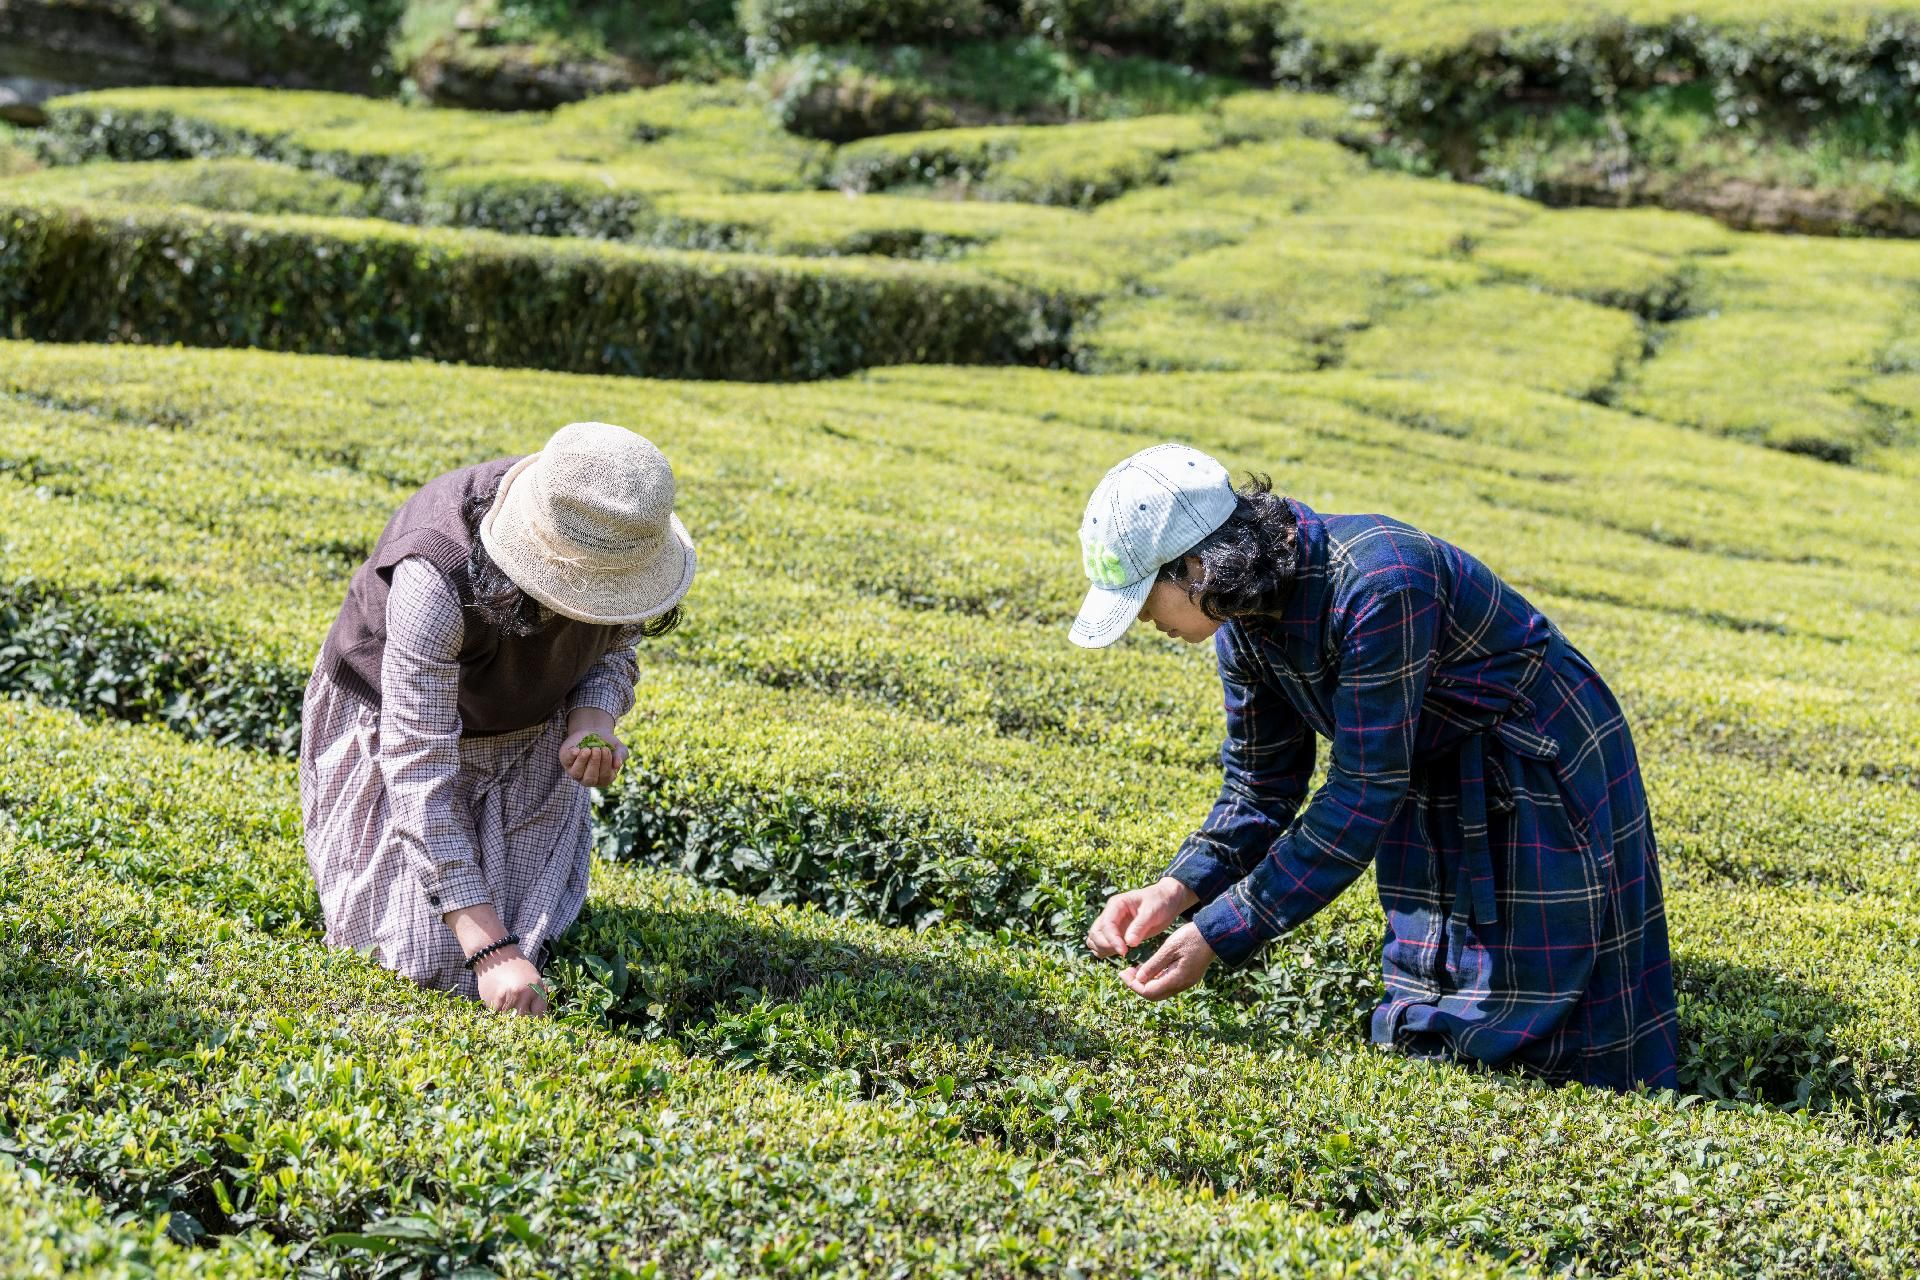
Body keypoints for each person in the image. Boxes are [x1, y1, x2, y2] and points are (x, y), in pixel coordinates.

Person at [1076, 444, 1677, 1089]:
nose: (1140, 618)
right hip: (1426, 760)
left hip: (1535, 752)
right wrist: (1175, 892)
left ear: (1196, 566)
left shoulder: (1381, 580)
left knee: (1551, 994)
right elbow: (1259, 787)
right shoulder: (1242, 624)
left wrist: (1219, 934)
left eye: (1142, 597)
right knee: (1436, 992)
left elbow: (1362, 791)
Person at [300, 422, 695, 1016]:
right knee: (422, 961)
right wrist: (491, 951)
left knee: (538, 937)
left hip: (527, 728)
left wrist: (592, 718)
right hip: (398, 728)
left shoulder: (616, 532)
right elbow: (416, 766)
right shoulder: (435, 575)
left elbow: (615, 651)